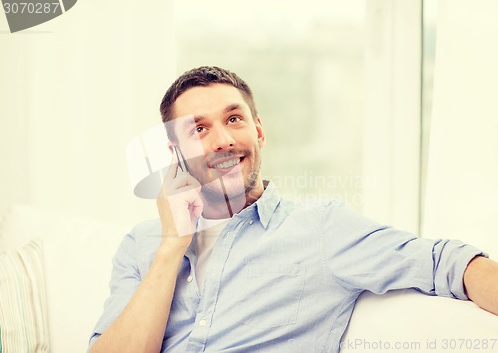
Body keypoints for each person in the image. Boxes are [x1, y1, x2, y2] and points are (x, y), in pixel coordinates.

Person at [88, 66, 498, 353]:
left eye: (234, 119)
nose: (223, 140)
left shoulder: (320, 228)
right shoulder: (141, 245)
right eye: (199, 129)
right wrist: (171, 248)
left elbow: (445, 263)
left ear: (259, 130)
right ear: (173, 153)